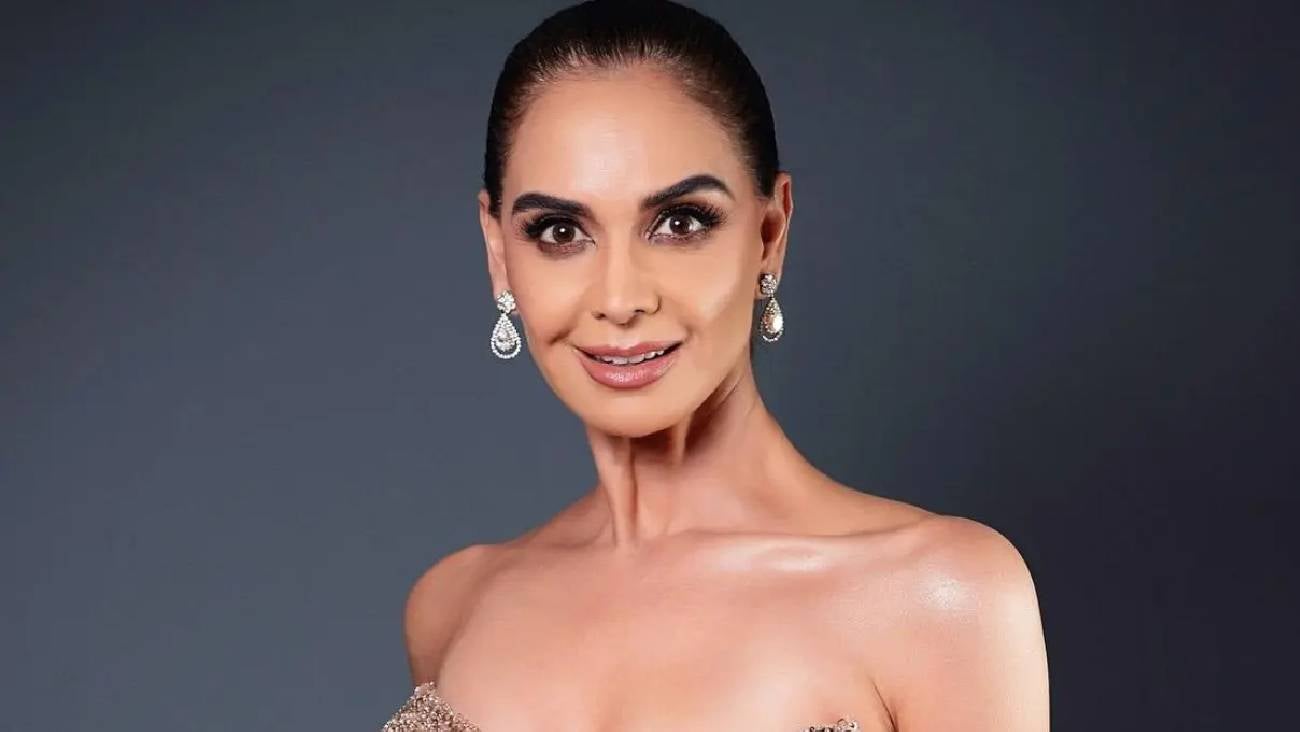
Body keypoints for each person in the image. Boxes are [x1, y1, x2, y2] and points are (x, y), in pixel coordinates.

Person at [382, 1, 1049, 730]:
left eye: (679, 223)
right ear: (497, 250)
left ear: (769, 233)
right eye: (560, 231)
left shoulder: (936, 595)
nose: (619, 299)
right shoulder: (452, 604)